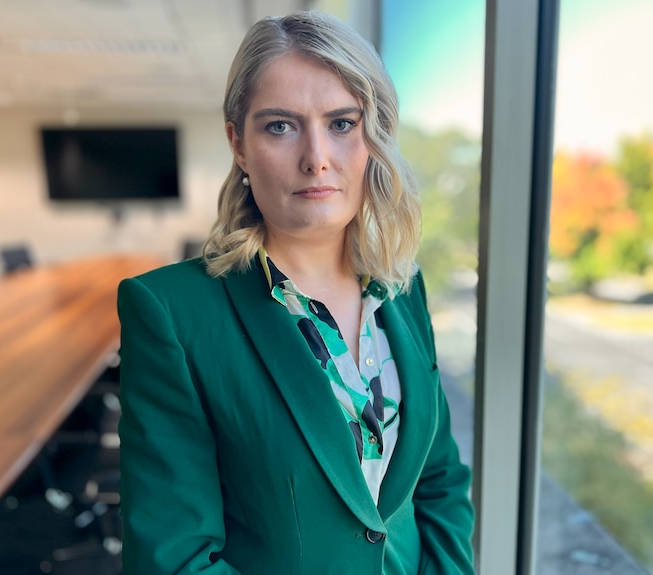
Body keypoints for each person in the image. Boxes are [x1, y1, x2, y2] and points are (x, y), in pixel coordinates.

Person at [117, 10, 474, 575]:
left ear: (373, 137)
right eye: (280, 126)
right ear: (238, 143)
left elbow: (438, 478)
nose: (317, 158)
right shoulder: (170, 313)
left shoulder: (404, 289)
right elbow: (175, 557)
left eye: (342, 123)